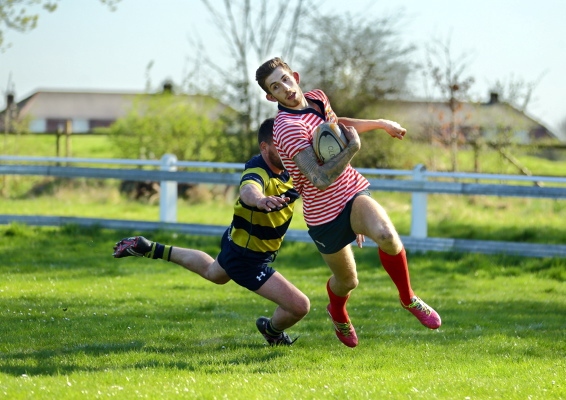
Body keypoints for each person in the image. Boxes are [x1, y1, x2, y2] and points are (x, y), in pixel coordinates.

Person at [255, 57, 441, 348]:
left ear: (296, 76)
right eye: (276, 87)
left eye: (286, 79)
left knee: (387, 236)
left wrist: (381, 124)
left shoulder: (317, 99)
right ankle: (337, 310)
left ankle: (408, 298)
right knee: (348, 282)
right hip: (322, 213)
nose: (285, 89)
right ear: (270, 96)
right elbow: (317, 178)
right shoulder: (287, 128)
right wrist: (352, 149)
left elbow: (336, 125)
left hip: (351, 191)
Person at [112, 118, 309, 346]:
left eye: (289, 142)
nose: (288, 149)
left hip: (236, 240)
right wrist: (260, 200)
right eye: (280, 144)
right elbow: (249, 189)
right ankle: (271, 331)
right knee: (299, 306)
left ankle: (148, 247)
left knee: (213, 272)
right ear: (264, 147)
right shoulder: (258, 170)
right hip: (247, 257)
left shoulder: (292, 168)